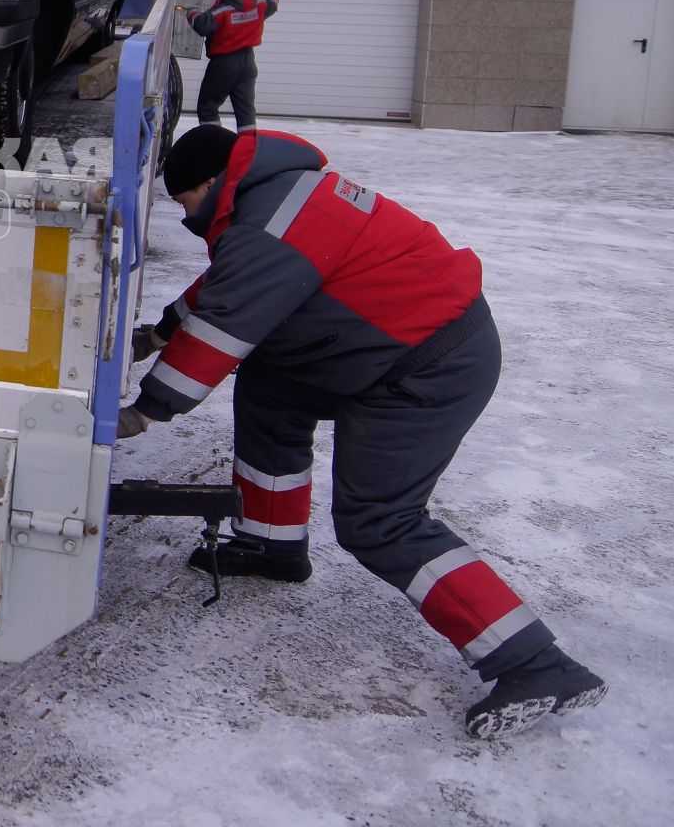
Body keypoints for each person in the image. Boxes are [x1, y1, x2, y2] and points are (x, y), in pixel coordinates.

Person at [118, 124, 605, 740]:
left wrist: (145, 410)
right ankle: (272, 546)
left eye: (185, 203)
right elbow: (231, 284)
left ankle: (537, 664)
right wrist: (157, 335)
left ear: (212, 183)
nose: (186, 217)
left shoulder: (270, 220)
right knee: (270, 387)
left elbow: (226, 325)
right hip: (389, 347)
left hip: (425, 369)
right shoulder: (277, 196)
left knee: (380, 519)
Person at [190, 0, 279, 131]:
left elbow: (200, 25)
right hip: (248, 63)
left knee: (208, 106)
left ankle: (214, 145)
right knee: (245, 112)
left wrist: (192, 9)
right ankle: (247, 150)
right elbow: (273, 1)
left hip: (224, 63)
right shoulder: (259, 4)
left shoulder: (223, 10)